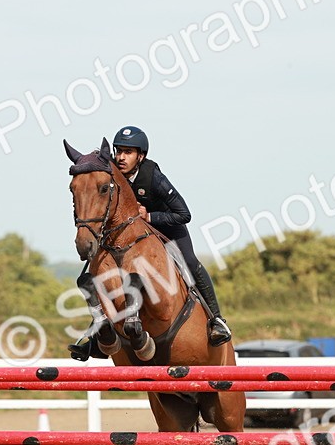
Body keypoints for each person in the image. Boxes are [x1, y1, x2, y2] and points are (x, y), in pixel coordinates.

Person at [68, 126, 232, 361]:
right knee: (98, 275)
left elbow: (183, 214)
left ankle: (216, 320)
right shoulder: (113, 175)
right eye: (119, 151)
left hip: (167, 225)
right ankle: (99, 332)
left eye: (128, 152)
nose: (122, 157)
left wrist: (150, 216)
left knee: (191, 263)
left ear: (140, 156)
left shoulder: (152, 176)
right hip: (132, 232)